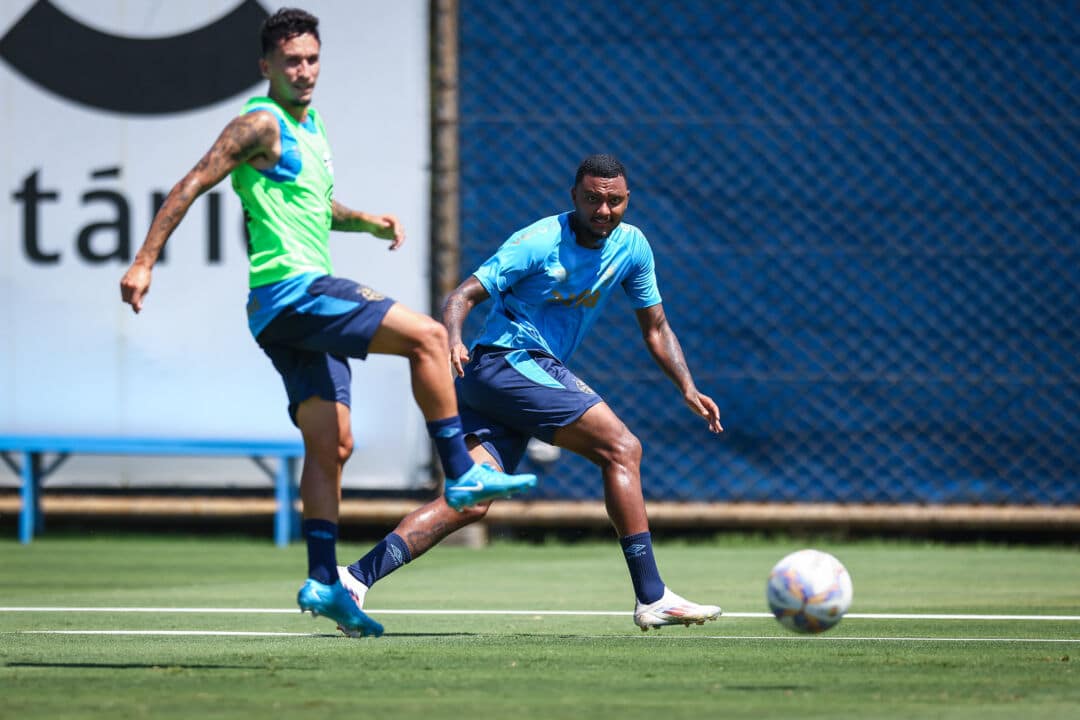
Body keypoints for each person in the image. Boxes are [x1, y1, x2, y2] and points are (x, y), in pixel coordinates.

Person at [118, 7, 536, 638]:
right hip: (293, 294)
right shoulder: (259, 123)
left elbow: (316, 205)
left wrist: (365, 221)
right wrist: (145, 261)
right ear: (267, 67)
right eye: (291, 61)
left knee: (332, 444)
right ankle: (460, 471)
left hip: (283, 318)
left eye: (312, 58)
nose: (304, 70)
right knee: (427, 336)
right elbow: (190, 184)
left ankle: (323, 580)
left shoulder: (309, 130)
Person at [338, 154, 724, 631]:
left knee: (472, 501)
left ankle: (354, 579)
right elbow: (460, 296)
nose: (604, 211)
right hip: (506, 361)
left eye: (615, 201)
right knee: (623, 448)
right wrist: (453, 337)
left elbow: (657, 327)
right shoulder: (538, 241)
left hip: (506, 378)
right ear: (574, 198)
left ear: (627, 199)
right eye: (593, 200)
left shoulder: (633, 247)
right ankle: (652, 595)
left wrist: (687, 386)